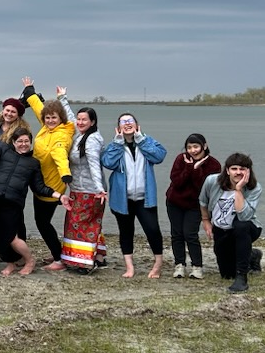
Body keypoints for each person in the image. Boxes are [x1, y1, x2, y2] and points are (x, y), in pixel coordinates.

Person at [0, 120, 57, 276]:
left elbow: (39, 187)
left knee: (12, 237)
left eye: (26, 141)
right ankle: (11, 263)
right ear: (13, 143)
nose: (23, 144)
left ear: (30, 142)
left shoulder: (33, 163)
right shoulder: (4, 152)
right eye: (19, 141)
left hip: (12, 203)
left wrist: (58, 195)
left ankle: (29, 260)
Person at [101, 113, 168, 279]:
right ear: (118, 127)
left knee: (152, 229)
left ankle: (158, 263)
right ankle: (129, 267)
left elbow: (159, 156)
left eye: (130, 121)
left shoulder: (146, 141)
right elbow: (108, 163)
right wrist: (117, 143)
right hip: (122, 199)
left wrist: (141, 140)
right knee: (126, 231)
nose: (127, 124)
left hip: (145, 198)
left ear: (137, 125)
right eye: (123, 122)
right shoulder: (114, 145)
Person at [21, 78, 74, 271]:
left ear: (61, 118)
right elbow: (37, 107)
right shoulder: (46, 127)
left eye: (54, 118)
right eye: (47, 118)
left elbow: (59, 154)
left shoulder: (61, 135)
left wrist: (66, 174)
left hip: (52, 187)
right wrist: (29, 90)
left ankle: (59, 259)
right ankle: (57, 254)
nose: (50, 120)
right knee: (42, 222)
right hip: (40, 184)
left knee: (42, 223)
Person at [200, 153, 263, 294]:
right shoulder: (212, 181)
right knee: (227, 274)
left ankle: (242, 277)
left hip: (247, 227)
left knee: (241, 226)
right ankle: (253, 255)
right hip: (222, 228)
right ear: (227, 170)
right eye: (234, 168)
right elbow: (203, 202)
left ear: (248, 171)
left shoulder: (255, 188)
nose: (238, 172)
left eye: (243, 169)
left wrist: (238, 189)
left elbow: (244, 215)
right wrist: (206, 221)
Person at [59, 107, 109, 273]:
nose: (79, 122)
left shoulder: (92, 140)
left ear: (92, 122)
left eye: (84, 120)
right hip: (78, 189)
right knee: (88, 223)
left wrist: (99, 189)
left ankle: (86, 263)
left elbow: (95, 165)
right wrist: (63, 99)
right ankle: (99, 256)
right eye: (79, 119)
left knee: (82, 225)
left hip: (90, 191)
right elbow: (72, 118)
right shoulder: (80, 133)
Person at [166, 134, 222, 279]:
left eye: (196, 146)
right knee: (177, 234)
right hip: (175, 202)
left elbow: (203, 188)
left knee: (190, 234)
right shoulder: (181, 159)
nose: (193, 150)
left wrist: (196, 169)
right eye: (189, 147)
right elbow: (177, 182)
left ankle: (197, 267)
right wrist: (190, 167)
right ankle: (179, 265)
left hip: (196, 205)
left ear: (204, 146)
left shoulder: (214, 165)